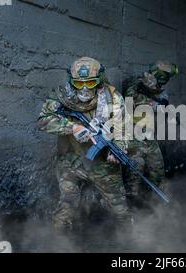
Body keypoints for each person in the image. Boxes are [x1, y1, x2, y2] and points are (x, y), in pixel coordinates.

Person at [37, 57, 131, 231]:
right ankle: (57, 242)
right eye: (79, 84)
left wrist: (118, 148)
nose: (85, 88)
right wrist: (72, 127)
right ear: (72, 82)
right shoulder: (62, 96)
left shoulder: (113, 98)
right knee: (67, 203)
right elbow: (43, 121)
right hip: (69, 160)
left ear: (99, 81)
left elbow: (123, 127)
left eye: (90, 82)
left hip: (102, 163)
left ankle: (130, 242)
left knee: (119, 207)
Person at [122, 60, 179, 207]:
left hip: (148, 135)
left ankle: (160, 206)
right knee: (134, 171)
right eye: (165, 78)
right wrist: (154, 105)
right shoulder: (136, 83)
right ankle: (132, 205)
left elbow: (162, 105)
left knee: (158, 168)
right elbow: (129, 101)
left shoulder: (159, 90)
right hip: (132, 134)